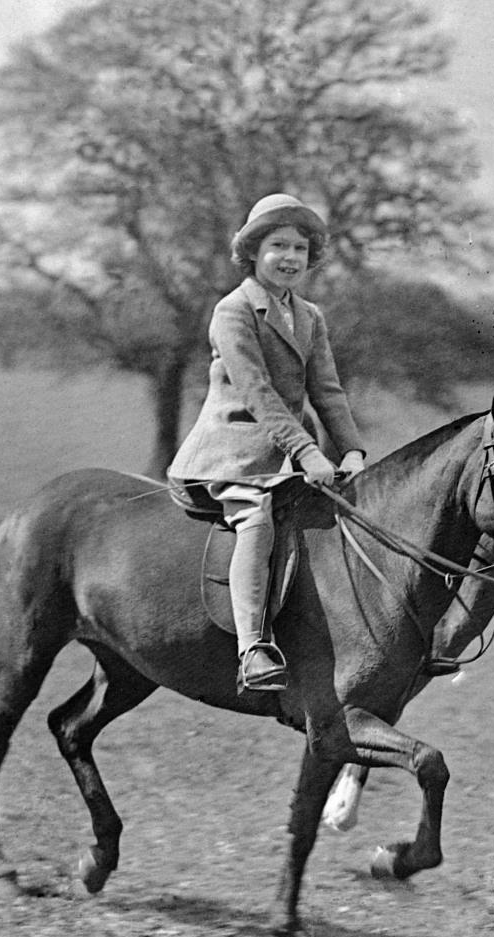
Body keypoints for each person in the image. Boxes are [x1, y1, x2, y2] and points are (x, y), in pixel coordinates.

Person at [168, 193, 368, 692]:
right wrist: (308, 452)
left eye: (300, 248)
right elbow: (257, 393)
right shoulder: (232, 311)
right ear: (254, 252)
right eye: (278, 245)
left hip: (290, 456)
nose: (290, 258)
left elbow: (327, 390)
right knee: (256, 522)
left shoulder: (310, 316)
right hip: (230, 457)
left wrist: (351, 450)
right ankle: (253, 648)